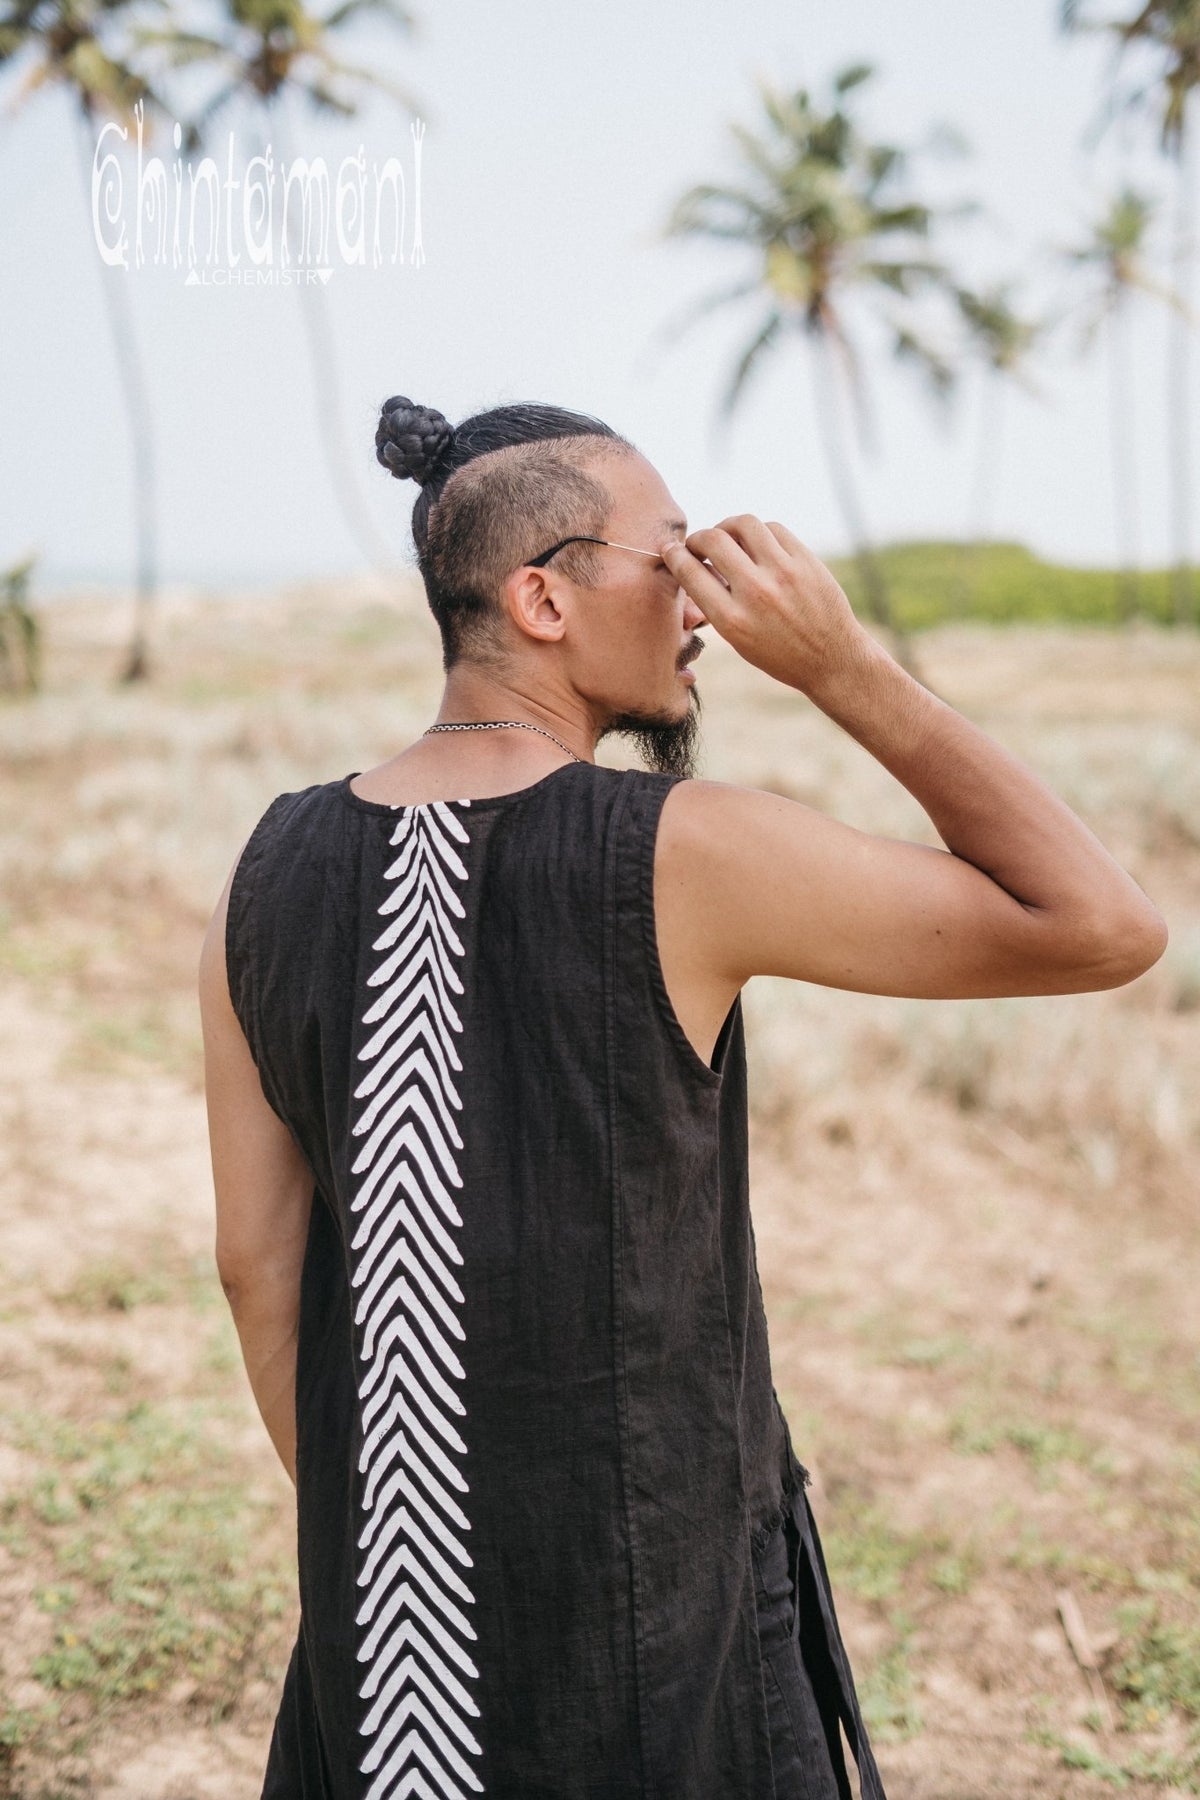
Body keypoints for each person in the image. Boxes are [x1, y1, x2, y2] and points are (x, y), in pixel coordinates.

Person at [199, 395, 1167, 1800]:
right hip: (665, 1642)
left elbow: (254, 1266)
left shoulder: (262, 867)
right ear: (544, 596)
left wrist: (392, 1550)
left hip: (384, 1649)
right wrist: (846, 670)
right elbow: (1104, 926)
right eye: (674, 560)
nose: (708, 602)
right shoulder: (681, 850)